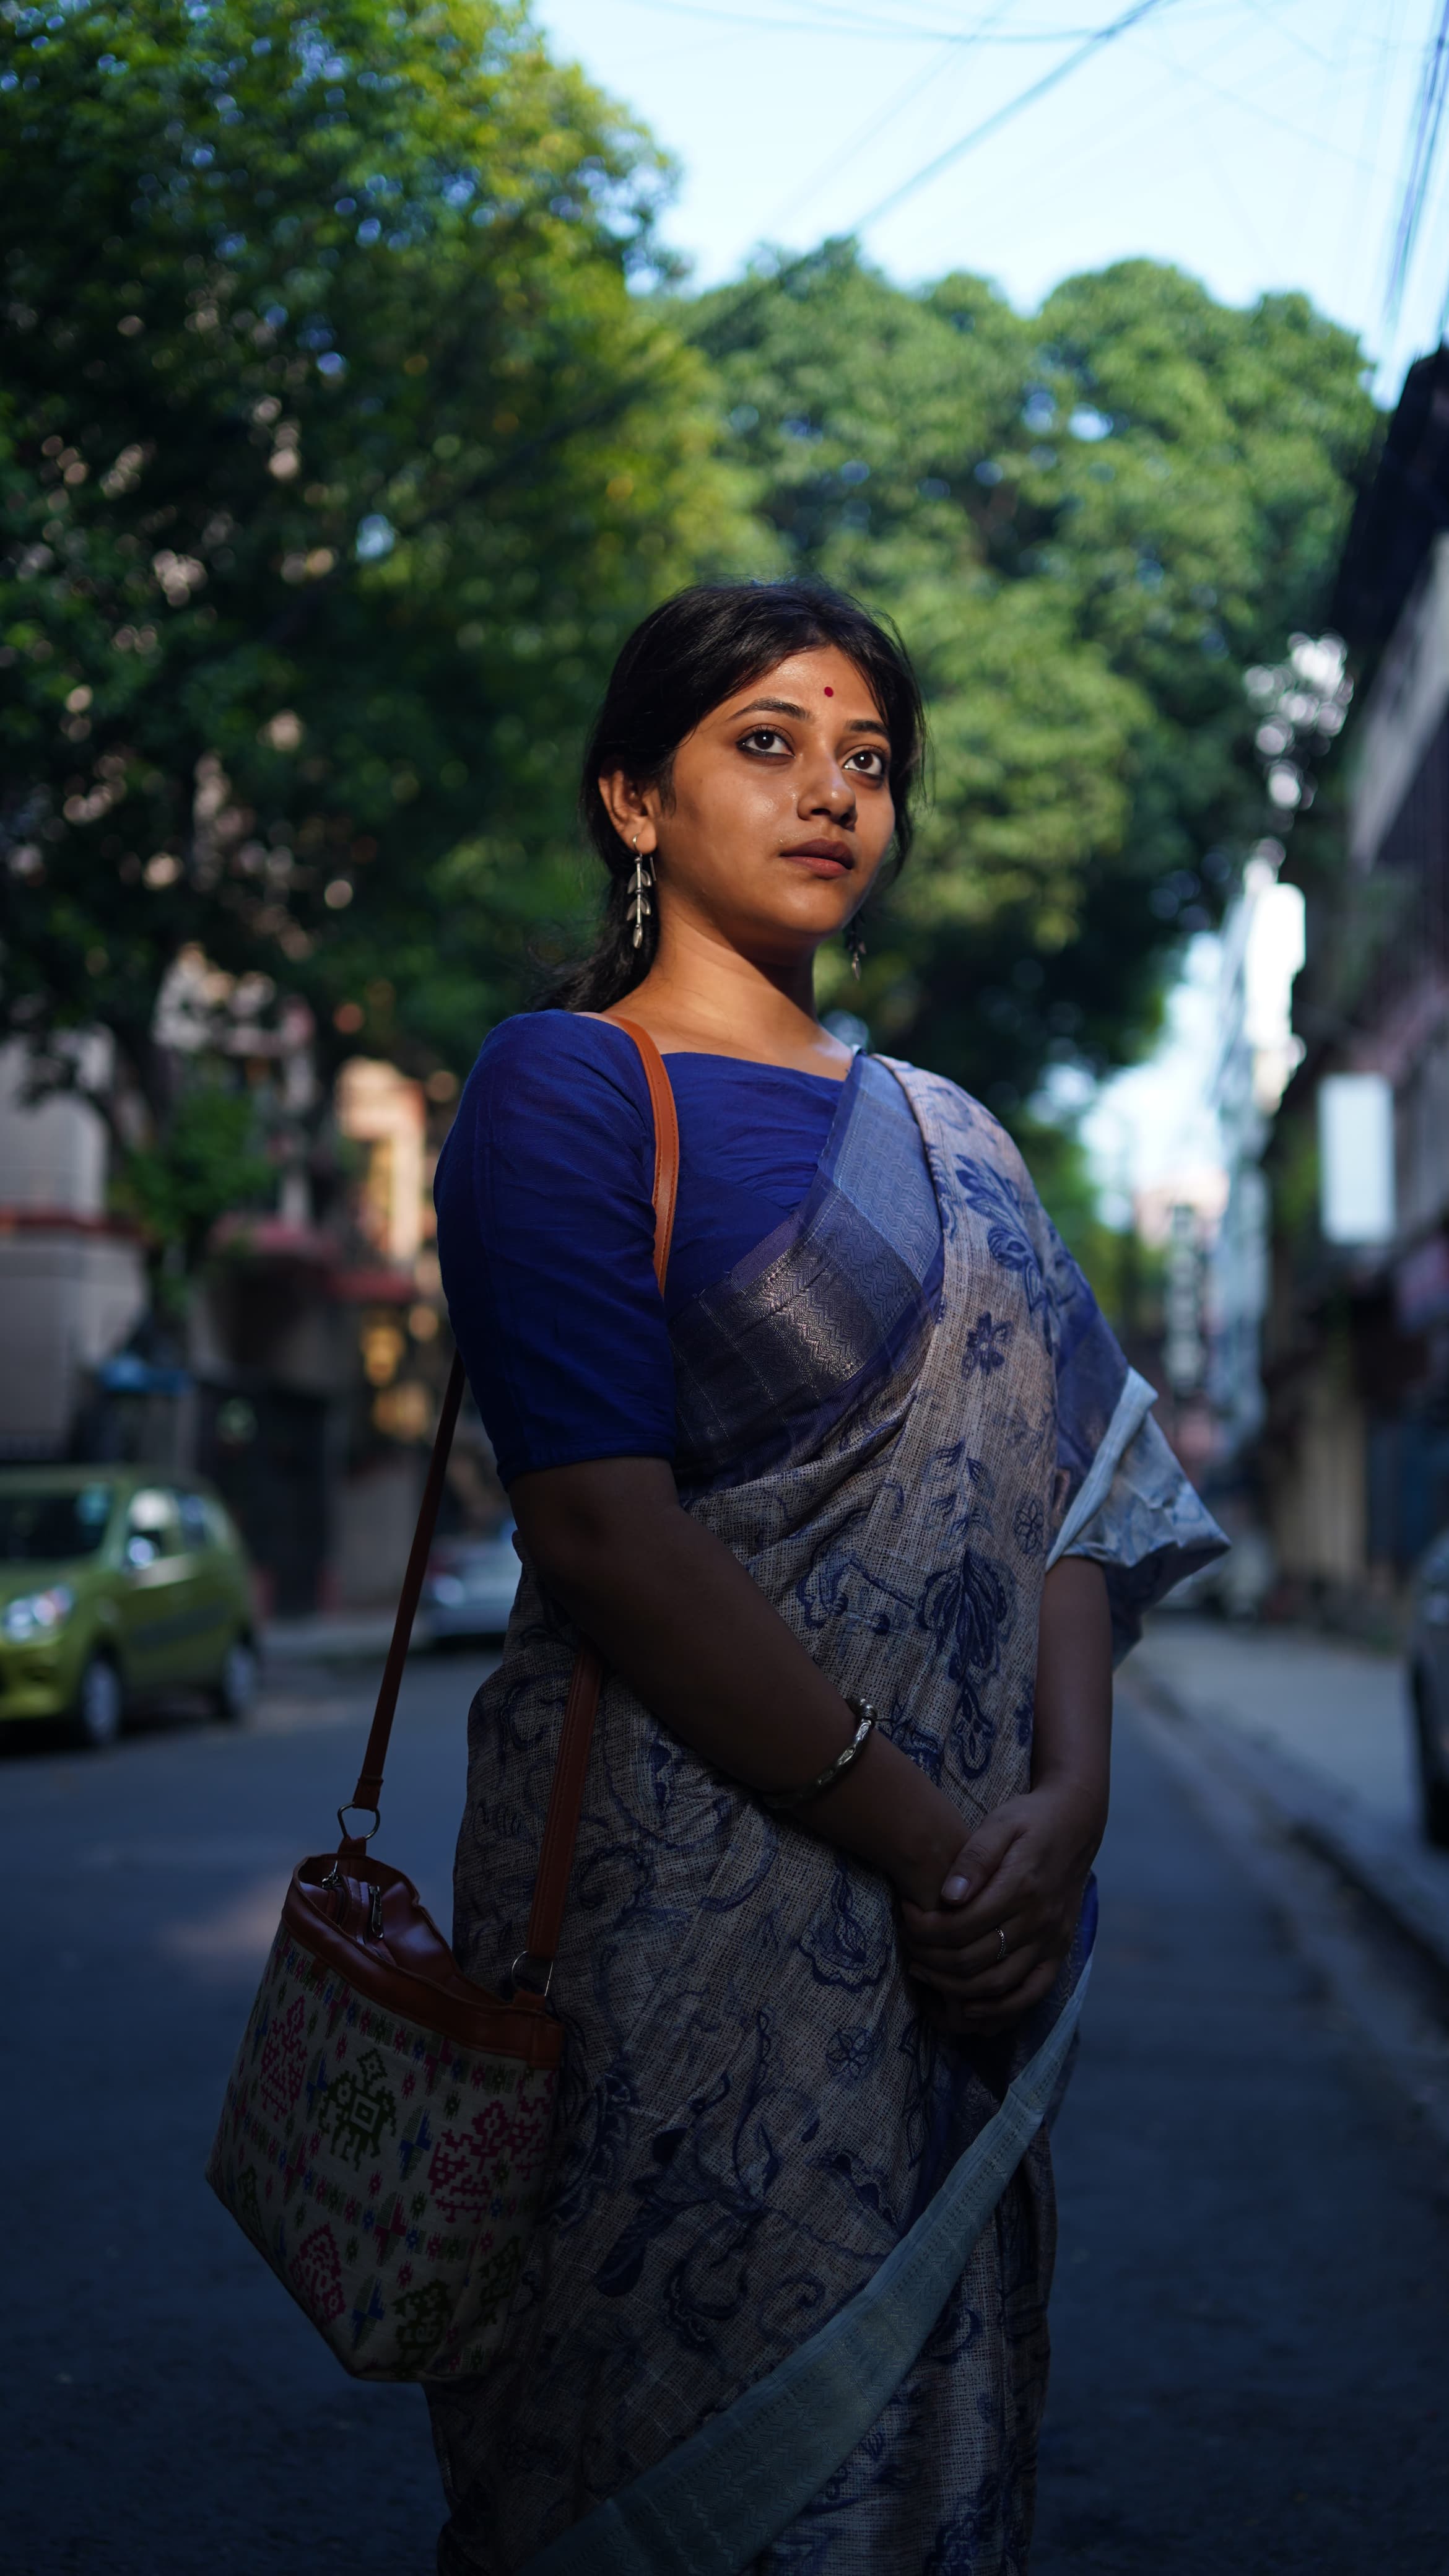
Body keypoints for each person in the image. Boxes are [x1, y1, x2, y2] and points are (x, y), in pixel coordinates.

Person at [429, 578, 1225, 2574]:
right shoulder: (564, 1087)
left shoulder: (954, 1138)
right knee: (660, 2443)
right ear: (633, 796)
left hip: (957, 1940)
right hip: (669, 1936)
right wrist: (936, 1837)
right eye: (764, 743)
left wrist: (1067, 1805)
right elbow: (598, 1525)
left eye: (866, 758)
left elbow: (1078, 1474)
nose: (829, 792)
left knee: (924, 2454)